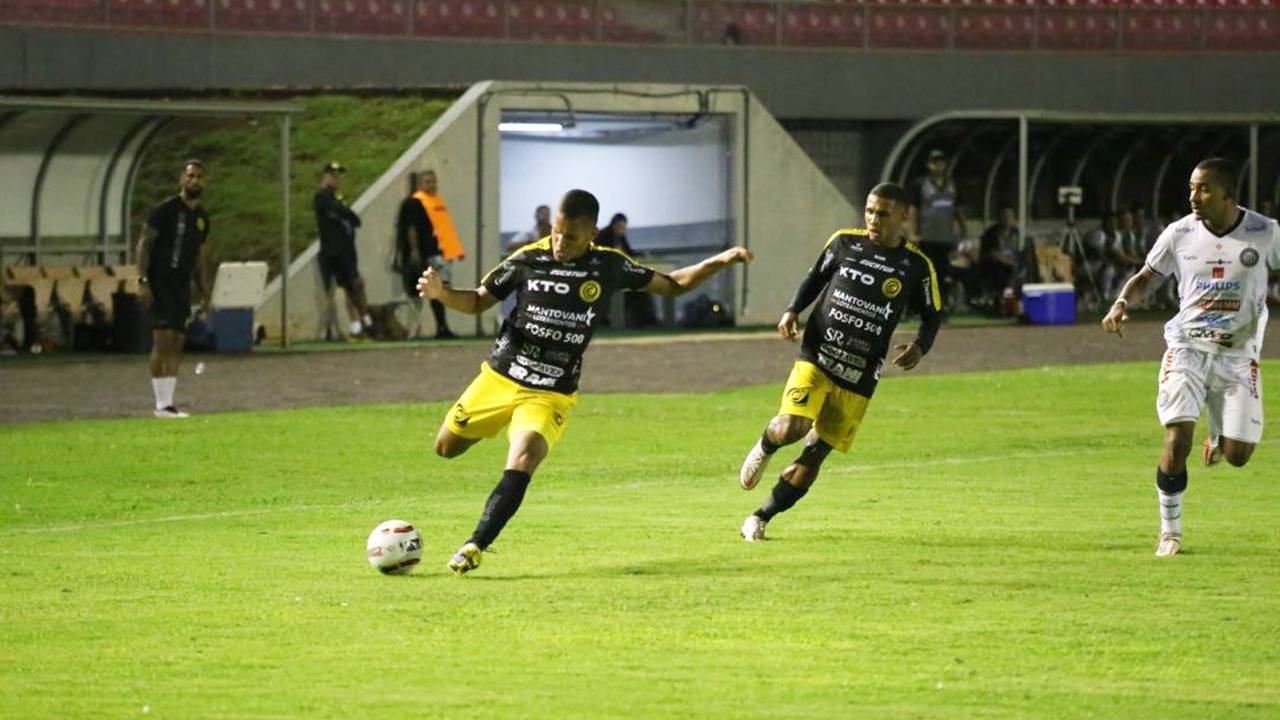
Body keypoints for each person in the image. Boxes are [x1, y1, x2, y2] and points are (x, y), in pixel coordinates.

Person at [417, 189, 752, 574]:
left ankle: (475, 544)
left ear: (592, 232)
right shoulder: (529, 258)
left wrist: (722, 259)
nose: (560, 243)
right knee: (446, 448)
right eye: (556, 232)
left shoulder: (608, 265)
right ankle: (493, 423)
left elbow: (674, 284)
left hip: (550, 393)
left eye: (571, 237)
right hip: (500, 377)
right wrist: (442, 294)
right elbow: (478, 300)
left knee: (524, 457)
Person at [736, 182, 943, 541]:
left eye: (883, 213)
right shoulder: (845, 242)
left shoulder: (916, 266)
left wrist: (921, 347)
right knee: (791, 428)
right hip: (818, 355)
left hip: (860, 374)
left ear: (903, 216)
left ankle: (760, 517)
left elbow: (933, 315)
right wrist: (791, 311)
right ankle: (766, 446)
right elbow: (815, 277)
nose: (873, 219)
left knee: (814, 455)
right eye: (869, 210)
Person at [1101, 158, 1280, 557]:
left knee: (1237, 456)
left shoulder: (1265, 232)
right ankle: (1171, 532)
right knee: (1177, 437)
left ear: (1227, 193)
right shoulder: (1179, 233)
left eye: (1204, 189)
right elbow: (1145, 276)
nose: (1194, 197)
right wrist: (1120, 303)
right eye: (1191, 189)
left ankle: (1219, 434)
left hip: (1237, 356)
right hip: (1187, 348)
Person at [136, 159, 210, 419]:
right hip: (160, 282)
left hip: (182, 286)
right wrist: (143, 280)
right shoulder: (166, 209)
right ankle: (159, 403)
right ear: (182, 179)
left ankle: (168, 403)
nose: (194, 181)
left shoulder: (201, 218)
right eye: (190, 176)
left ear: (205, 181)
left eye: (199, 177)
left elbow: (199, 257)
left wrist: (204, 291)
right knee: (162, 340)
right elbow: (145, 242)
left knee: (177, 341)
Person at [314, 161, 372, 339]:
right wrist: (345, 215)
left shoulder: (335, 197)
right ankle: (358, 324)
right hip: (334, 251)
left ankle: (363, 322)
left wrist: (346, 215)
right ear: (325, 176)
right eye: (333, 175)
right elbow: (339, 213)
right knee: (350, 286)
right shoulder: (322, 197)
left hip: (346, 249)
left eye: (338, 176)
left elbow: (353, 218)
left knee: (355, 284)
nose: (337, 179)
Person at [395, 171, 455, 339]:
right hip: (422, 256)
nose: (432, 185)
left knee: (435, 291)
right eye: (427, 182)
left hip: (433, 253)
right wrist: (415, 252)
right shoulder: (414, 203)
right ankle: (417, 330)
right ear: (420, 184)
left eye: (433, 182)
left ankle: (440, 327)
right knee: (417, 293)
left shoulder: (433, 203)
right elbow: (411, 229)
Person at [909, 149, 966, 312]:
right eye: (935, 162)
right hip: (926, 236)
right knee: (925, 272)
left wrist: (963, 230)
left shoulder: (952, 184)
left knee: (942, 273)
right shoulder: (921, 184)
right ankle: (921, 306)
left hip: (945, 237)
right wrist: (913, 232)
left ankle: (938, 307)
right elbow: (913, 209)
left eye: (941, 162)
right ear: (929, 165)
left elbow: (959, 209)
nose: (938, 165)